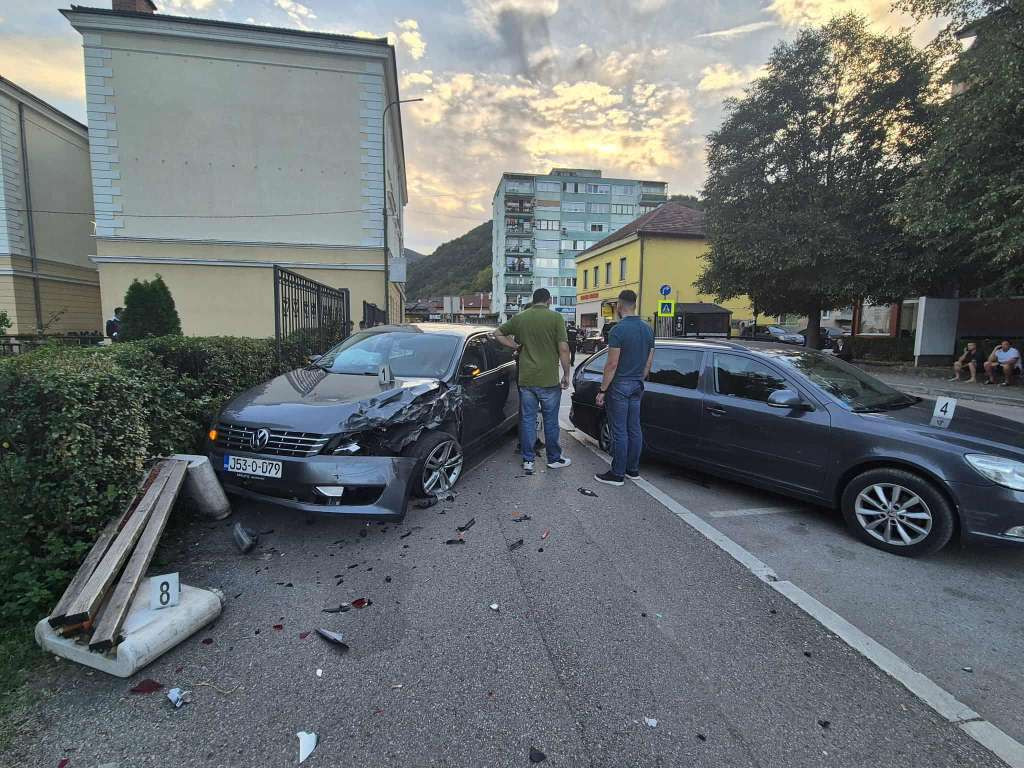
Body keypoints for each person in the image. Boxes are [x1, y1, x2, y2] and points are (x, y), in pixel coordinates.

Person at [495, 288, 572, 474]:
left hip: (527, 379)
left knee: (528, 420)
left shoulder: (521, 317)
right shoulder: (555, 318)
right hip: (548, 380)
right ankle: (554, 459)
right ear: (549, 300)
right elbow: (563, 349)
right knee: (551, 421)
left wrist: (516, 345)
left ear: (534, 300)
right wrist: (566, 374)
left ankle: (528, 460)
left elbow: (497, 333)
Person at [594, 290, 655, 486]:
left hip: (620, 385)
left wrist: (603, 390)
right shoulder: (648, 330)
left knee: (619, 430)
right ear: (635, 305)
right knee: (634, 428)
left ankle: (617, 474)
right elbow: (648, 364)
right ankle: (632, 469)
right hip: (638, 383)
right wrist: (639, 377)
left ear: (620, 306)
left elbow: (611, 364)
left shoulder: (618, 330)